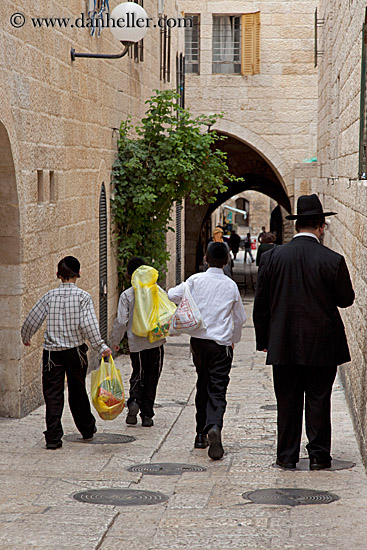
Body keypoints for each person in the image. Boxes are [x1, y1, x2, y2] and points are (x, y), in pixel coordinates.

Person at [253, 194, 355, 471]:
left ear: (297, 225)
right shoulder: (332, 260)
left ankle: (286, 456)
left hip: (283, 343)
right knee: (319, 399)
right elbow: (346, 299)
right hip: (322, 344)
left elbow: (261, 305)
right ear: (321, 226)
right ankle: (319, 456)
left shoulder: (273, 258)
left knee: (287, 401)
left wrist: (265, 340)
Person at [21, 256, 111, 450]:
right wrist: (101, 346)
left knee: (53, 394)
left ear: (58, 275)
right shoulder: (83, 297)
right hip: (75, 352)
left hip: (52, 354)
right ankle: (87, 429)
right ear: (78, 274)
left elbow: (31, 319)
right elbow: (88, 325)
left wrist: (26, 336)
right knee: (77, 390)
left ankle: (53, 437)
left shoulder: (49, 296)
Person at [168, 242, 246, 460]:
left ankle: (200, 435)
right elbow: (240, 318)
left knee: (202, 383)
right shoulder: (230, 286)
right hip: (220, 345)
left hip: (199, 342)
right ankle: (214, 425)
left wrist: (191, 300)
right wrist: (234, 340)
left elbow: (171, 295)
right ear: (227, 261)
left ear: (205, 259)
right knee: (217, 387)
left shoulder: (195, 280)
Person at [111, 257, 165, 427]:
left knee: (138, 372)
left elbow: (121, 321)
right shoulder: (156, 290)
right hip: (155, 341)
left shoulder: (126, 295)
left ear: (129, 275)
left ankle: (134, 401)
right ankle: (147, 415)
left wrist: (116, 341)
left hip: (136, 343)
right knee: (152, 376)